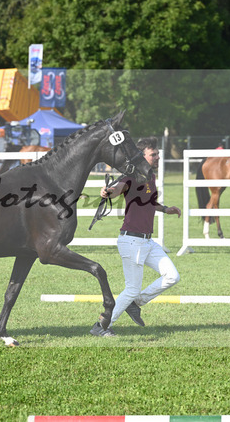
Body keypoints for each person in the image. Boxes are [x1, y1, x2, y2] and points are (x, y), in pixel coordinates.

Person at [90, 137, 181, 337]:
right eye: (153, 154)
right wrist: (107, 192)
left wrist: (166, 209)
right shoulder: (130, 176)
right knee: (131, 288)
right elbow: (116, 190)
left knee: (172, 276)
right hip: (132, 241)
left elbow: (149, 202)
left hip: (147, 241)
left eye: (157, 154)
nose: (157, 157)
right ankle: (100, 326)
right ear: (142, 156)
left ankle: (135, 302)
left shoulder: (151, 176)